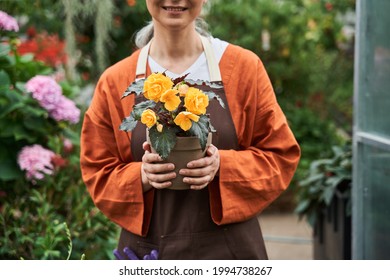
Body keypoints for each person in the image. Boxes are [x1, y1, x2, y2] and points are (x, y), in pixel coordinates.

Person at [80, 0, 300, 260]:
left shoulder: (244, 69)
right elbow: (97, 171)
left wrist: (222, 166)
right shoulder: (116, 81)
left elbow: (280, 156)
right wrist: (141, 176)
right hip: (148, 253)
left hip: (230, 254)